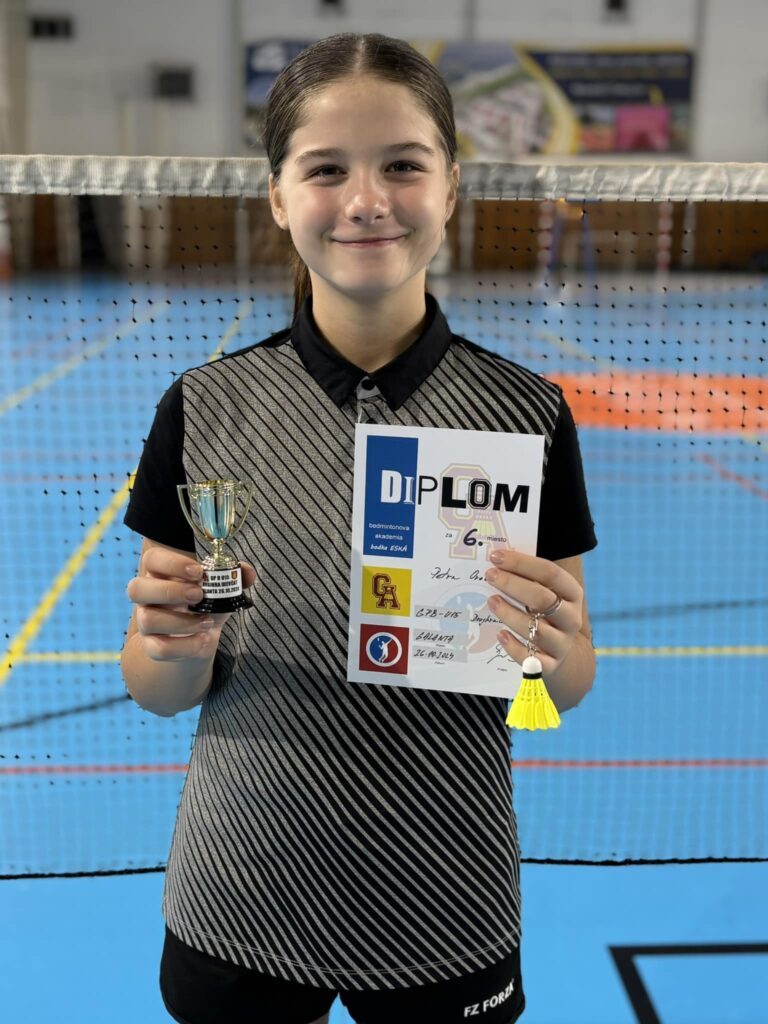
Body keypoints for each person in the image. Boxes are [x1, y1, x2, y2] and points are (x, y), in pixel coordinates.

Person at [121, 31, 597, 1024]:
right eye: (326, 168)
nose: (367, 200)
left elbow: (559, 683)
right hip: (242, 890)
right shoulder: (202, 407)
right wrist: (168, 644)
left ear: (452, 186)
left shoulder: (528, 415)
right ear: (278, 195)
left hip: (445, 895)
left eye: (404, 166)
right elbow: (160, 691)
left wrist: (555, 652)